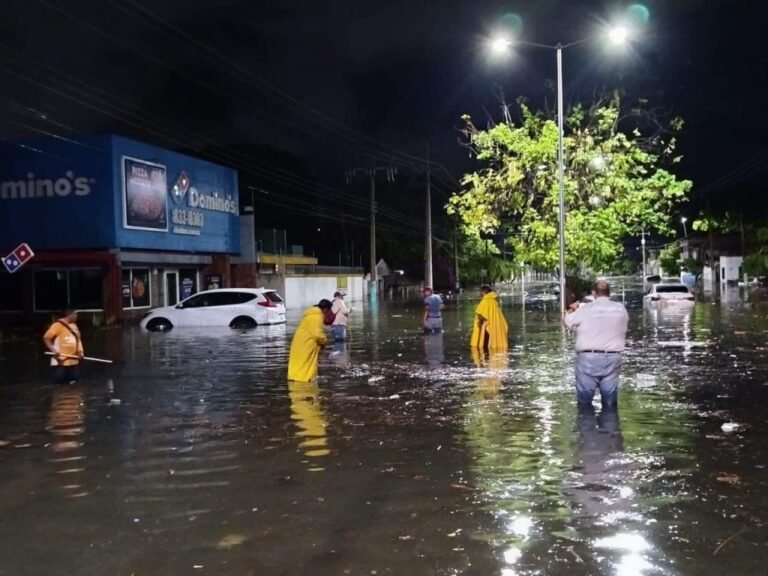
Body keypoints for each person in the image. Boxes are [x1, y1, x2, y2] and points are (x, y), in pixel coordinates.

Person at [564, 280, 629, 408]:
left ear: (594, 293)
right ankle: (610, 425)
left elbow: (568, 322)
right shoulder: (621, 309)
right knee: (610, 402)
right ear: (609, 293)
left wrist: (571, 311)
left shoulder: (586, 309)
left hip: (588, 359)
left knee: (585, 402)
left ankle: (586, 424)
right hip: (613, 358)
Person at [287, 299, 332, 382]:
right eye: (329, 311)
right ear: (326, 309)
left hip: (301, 345)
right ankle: (304, 382)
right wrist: (324, 341)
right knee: (305, 367)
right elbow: (317, 334)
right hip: (305, 346)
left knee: (299, 365)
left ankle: (296, 379)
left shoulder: (310, 315)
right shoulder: (316, 316)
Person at [43, 309, 84, 384]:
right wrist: (53, 351)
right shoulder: (57, 325)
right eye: (75, 314)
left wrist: (80, 352)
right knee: (59, 384)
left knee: (75, 383)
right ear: (70, 314)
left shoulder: (74, 326)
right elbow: (46, 338)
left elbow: (78, 340)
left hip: (73, 361)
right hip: (61, 361)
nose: (77, 316)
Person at [470, 285, 508, 351]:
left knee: (486, 347)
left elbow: (482, 315)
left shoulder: (485, 301)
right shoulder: (494, 302)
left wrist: (479, 323)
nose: (480, 294)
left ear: (484, 292)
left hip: (487, 328)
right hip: (496, 326)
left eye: (481, 292)